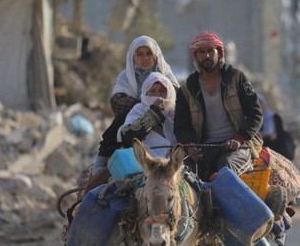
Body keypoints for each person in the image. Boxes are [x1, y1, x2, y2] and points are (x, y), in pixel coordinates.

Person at [174, 30, 264, 182]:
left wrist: (239, 138)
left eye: (210, 51)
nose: (207, 56)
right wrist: (190, 146)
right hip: (204, 149)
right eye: (201, 52)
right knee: (183, 174)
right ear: (195, 56)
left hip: (237, 146)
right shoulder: (187, 88)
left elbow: (256, 114)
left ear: (219, 53)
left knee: (226, 168)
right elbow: (181, 126)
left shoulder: (236, 77)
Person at [91, 36, 179, 174]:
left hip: (166, 116)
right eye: (140, 54)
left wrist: (163, 103)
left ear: (155, 56)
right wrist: (146, 104)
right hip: (137, 118)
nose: (145, 58)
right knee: (121, 120)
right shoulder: (126, 76)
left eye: (149, 53)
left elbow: (176, 97)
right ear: (133, 57)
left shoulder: (165, 76)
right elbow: (117, 102)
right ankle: (103, 158)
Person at [118, 72, 178, 157]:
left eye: (162, 91)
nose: (157, 95)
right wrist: (154, 112)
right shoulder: (139, 109)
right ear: (146, 93)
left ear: (169, 94)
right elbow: (129, 136)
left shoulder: (175, 112)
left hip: (174, 162)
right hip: (145, 163)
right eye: (153, 91)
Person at [258, 93, 296, 160]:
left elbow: (279, 132)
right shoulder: (256, 120)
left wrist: (270, 136)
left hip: (277, 148)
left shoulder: (274, 117)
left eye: (260, 102)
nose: (260, 105)